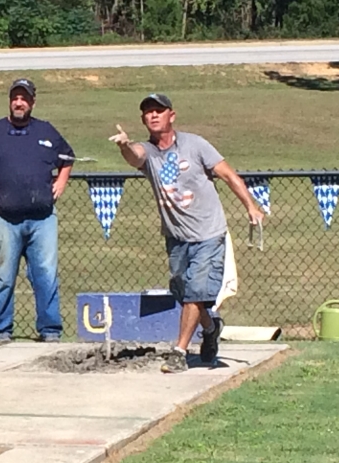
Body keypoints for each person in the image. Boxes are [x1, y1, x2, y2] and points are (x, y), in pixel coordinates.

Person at [109, 92, 265, 373]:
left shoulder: (196, 145)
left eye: (159, 110)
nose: (153, 115)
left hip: (208, 233)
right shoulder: (148, 151)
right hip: (177, 238)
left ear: (172, 115)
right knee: (185, 292)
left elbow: (228, 174)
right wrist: (124, 146)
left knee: (195, 293)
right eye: (148, 112)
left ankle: (179, 352)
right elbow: (135, 156)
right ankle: (211, 328)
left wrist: (251, 207)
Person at [0, 78, 75, 343]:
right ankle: (1, 330)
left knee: (46, 274)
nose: (19, 103)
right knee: (3, 277)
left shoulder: (46, 131)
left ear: (33, 102)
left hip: (42, 219)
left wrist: (61, 181)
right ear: (10, 101)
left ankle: (50, 330)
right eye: (15, 98)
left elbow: (68, 157)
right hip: (3, 217)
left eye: (24, 98)